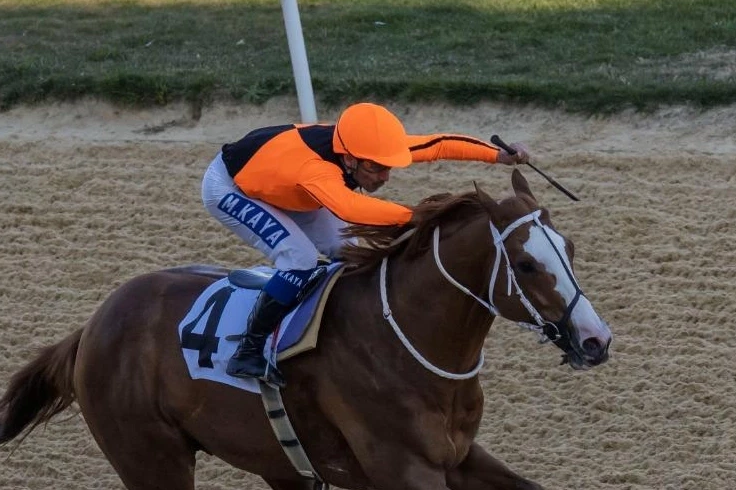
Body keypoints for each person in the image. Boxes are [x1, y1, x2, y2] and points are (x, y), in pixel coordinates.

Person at [201, 102, 531, 386]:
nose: (383, 176)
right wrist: (417, 216)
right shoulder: (316, 169)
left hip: (288, 188)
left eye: (387, 166)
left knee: (351, 251)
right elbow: (350, 208)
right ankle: (249, 349)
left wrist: (497, 155)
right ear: (349, 159)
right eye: (375, 168)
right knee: (298, 257)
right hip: (233, 189)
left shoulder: (363, 149)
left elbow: (437, 145)